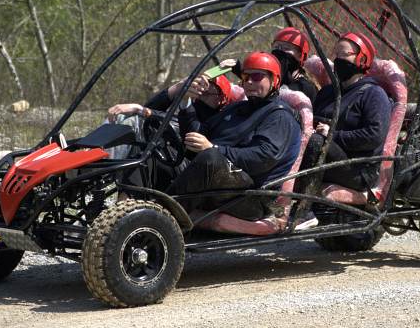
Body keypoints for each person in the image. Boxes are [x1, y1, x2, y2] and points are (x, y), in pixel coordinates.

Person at [168, 51, 302, 221]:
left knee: (211, 157)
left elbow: (264, 157)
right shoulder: (236, 108)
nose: (250, 82)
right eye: (246, 77)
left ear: (274, 80)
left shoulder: (279, 116)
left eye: (257, 77)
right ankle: (130, 203)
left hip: (251, 196)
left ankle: (162, 217)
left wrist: (214, 149)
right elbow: (199, 136)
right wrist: (186, 102)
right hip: (219, 184)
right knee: (160, 148)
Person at [296, 32, 392, 195]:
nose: (338, 60)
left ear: (362, 59)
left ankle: (303, 208)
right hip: (328, 156)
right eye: (337, 55)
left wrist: (332, 134)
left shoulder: (374, 94)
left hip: (358, 168)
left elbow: (374, 136)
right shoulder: (328, 91)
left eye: (345, 55)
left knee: (317, 142)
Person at [104, 73, 235, 160]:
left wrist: (141, 110)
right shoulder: (190, 107)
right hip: (167, 152)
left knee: (135, 121)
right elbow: (164, 114)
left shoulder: (218, 120)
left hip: (182, 161)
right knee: (121, 116)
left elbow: (179, 124)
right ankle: (92, 154)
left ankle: (99, 165)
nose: (200, 96)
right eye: (199, 92)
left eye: (206, 94)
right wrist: (180, 86)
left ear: (221, 99)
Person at [223, 27, 318, 102]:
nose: (279, 51)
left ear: (300, 55)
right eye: (277, 47)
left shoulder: (305, 87)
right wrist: (240, 70)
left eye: (286, 48)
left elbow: (271, 95)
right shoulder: (273, 78)